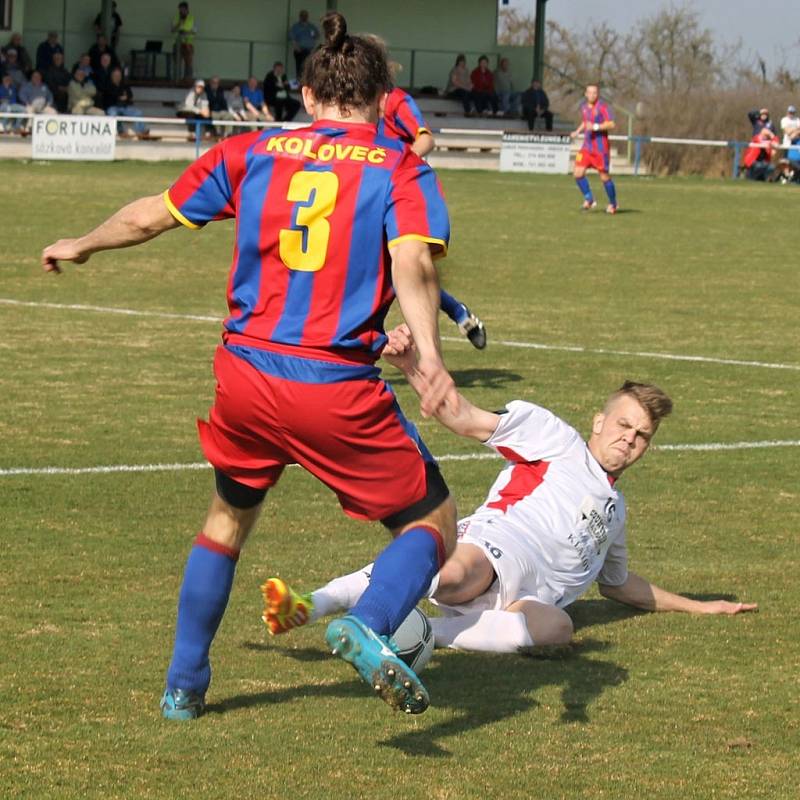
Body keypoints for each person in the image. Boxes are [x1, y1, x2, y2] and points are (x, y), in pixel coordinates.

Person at [41, 10, 459, 721]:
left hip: (245, 376)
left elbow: (152, 212)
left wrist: (83, 242)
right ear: (384, 100)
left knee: (226, 522)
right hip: (330, 383)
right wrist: (431, 353)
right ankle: (372, 620)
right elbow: (411, 258)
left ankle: (182, 687)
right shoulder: (397, 166)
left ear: (307, 93)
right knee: (435, 521)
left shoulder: (254, 150)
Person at [264, 348, 758, 654]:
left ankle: (416, 636)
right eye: (624, 425)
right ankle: (313, 604)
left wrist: (701, 608)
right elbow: (460, 416)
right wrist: (411, 364)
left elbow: (620, 585)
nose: (630, 439)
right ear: (599, 422)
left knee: (558, 629)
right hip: (495, 545)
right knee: (457, 574)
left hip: (526, 596)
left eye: (642, 435)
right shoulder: (555, 440)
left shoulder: (617, 513)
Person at [379, 83, 487, 349]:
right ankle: (458, 313)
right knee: (396, 273)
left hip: (403, 193)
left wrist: (396, 169)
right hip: (377, 191)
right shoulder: (360, 105)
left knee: (401, 271)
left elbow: (426, 139)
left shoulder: (396, 100)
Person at [570, 83, 617, 214]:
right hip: (587, 147)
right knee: (577, 173)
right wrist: (577, 131)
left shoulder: (603, 107)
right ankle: (589, 199)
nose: (592, 95)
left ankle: (613, 203)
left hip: (600, 149)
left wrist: (596, 127)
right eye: (589, 92)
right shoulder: (584, 107)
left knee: (604, 177)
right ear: (585, 94)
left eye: (594, 93)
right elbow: (586, 122)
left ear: (598, 94)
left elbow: (611, 123)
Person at [101, 67, 148, 137]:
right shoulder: (107, 85)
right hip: (112, 107)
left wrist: (126, 97)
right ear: (112, 76)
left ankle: (141, 132)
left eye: (119, 76)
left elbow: (130, 95)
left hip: (124, 107)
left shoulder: (124, 84)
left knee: (138, 112)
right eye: (115, 76)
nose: (117, 77)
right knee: (113, 113)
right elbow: (109, 96)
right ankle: (120, 131)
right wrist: (120, 97)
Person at [289, 9, 319, 80]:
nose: (304, 17)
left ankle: (307, 82)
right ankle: (299, 83)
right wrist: (296, 47)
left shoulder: (311, 27)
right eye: (302, 15)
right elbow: (291, 38)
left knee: (309, 67)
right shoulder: (296, 27)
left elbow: (317, 36)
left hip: (309, 51)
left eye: (305, 15)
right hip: (300, 50)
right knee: (300, 68)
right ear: (300, 17)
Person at [172, 2, 197, 80]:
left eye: (183, 10)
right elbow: (172, 30)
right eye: (180, 10)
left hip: (188, 43)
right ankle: (176, 79)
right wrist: (179, 23)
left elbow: (195, 31)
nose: (181, 11)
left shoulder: (192, 18)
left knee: (188, 62)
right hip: (178, 43)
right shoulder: (176, 17)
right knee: (177, 62)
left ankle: (187, 79)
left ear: (187, 9)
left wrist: (186, 32)